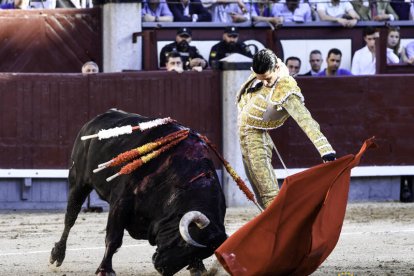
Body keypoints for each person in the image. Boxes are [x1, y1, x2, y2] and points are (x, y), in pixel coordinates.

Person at [236, 48, 336, 209]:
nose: (265, 83)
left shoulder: (285, 89)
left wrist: (326, 150)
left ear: (276, 69)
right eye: (260, 78)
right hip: (249, 134)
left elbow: (305, 120)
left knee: (268, 193)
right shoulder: (262, 70)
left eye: (267, 79)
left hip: (255, 137)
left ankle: (281, 228)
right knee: (259, 188)